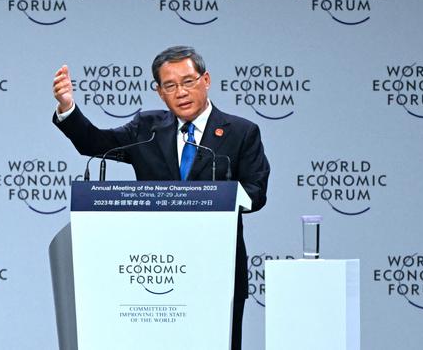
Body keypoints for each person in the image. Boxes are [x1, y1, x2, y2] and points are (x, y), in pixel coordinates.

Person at [52, 46, 270, 350]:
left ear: (206, 80)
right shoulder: (147, 129)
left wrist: (222, 197)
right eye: (170, 85)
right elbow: (96, 143)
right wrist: (68, 108)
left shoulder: (241, 132)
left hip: (217, 269)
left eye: (188, 81)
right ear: (159, 92)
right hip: (155, 271)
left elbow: (256, 191)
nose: (180, 92)